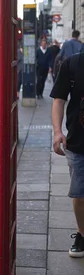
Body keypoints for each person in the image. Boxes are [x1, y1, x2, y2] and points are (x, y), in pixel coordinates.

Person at [51, 52, 84, 256]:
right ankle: (82, 232)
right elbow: (59, 100)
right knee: (79, 194)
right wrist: (57, 132)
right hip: (78, 141)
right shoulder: (72, 63)